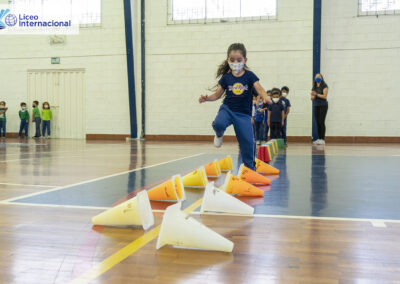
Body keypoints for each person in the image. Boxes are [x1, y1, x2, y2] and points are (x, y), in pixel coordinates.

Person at [199, 43, 271, 170]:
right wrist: (207, 99)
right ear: (228, 60)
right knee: (218, 124)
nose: (235, 62)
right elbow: (217, 95)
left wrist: (265, 96)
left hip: (243, 114)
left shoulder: (249, 76)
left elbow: (259, 88)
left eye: (239, 60)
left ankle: (249, 169)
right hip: (228, 109)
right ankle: (219, 134)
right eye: (232, 60)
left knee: (248, 144)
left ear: (245, 60)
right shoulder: (226, 78)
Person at [311, 74, 328, 145]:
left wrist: (316, 94)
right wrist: (313, 96)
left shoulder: (324, 86)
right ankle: (319, 138)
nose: (318, 78)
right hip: (316, 105)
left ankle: (322, 139)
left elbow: (324, 96)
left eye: (319, 77)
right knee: (317, 122)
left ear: (321, 78)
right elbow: (312, 98)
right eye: (316, 77)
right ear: (314, 79)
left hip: (323, 105)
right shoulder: (314, 87)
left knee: (321, 121)